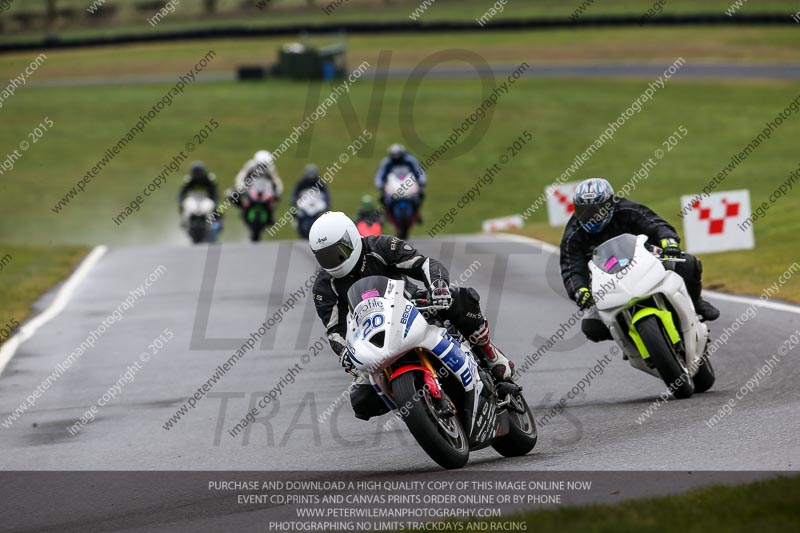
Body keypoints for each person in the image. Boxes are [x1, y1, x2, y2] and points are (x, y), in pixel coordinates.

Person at [310, 211, 515, 421]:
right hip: (374, 336)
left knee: (461, 298)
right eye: (325, 256)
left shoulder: (381, 246)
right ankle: (419, 410)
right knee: (361, 401)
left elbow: (423, 264)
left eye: (339, 251)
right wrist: (344, 351)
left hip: (413, 307)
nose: (334, 260)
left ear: (351, 238)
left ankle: (490, 355)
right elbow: (335, 330)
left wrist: (438, 286)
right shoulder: (323, 287)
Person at [560, 178, 720, 343]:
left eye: (596, 210)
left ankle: (696, 302)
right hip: (607, 281)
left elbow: (654, 223)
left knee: (688, 263)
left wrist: (668, 241)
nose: (590, 216)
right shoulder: (573, 234)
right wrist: (579, 290)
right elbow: (571, 267)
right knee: (591, 327)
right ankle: (631, 340)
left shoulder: (626, 209)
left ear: (609, 204)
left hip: (644, 260)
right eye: (583, 210)